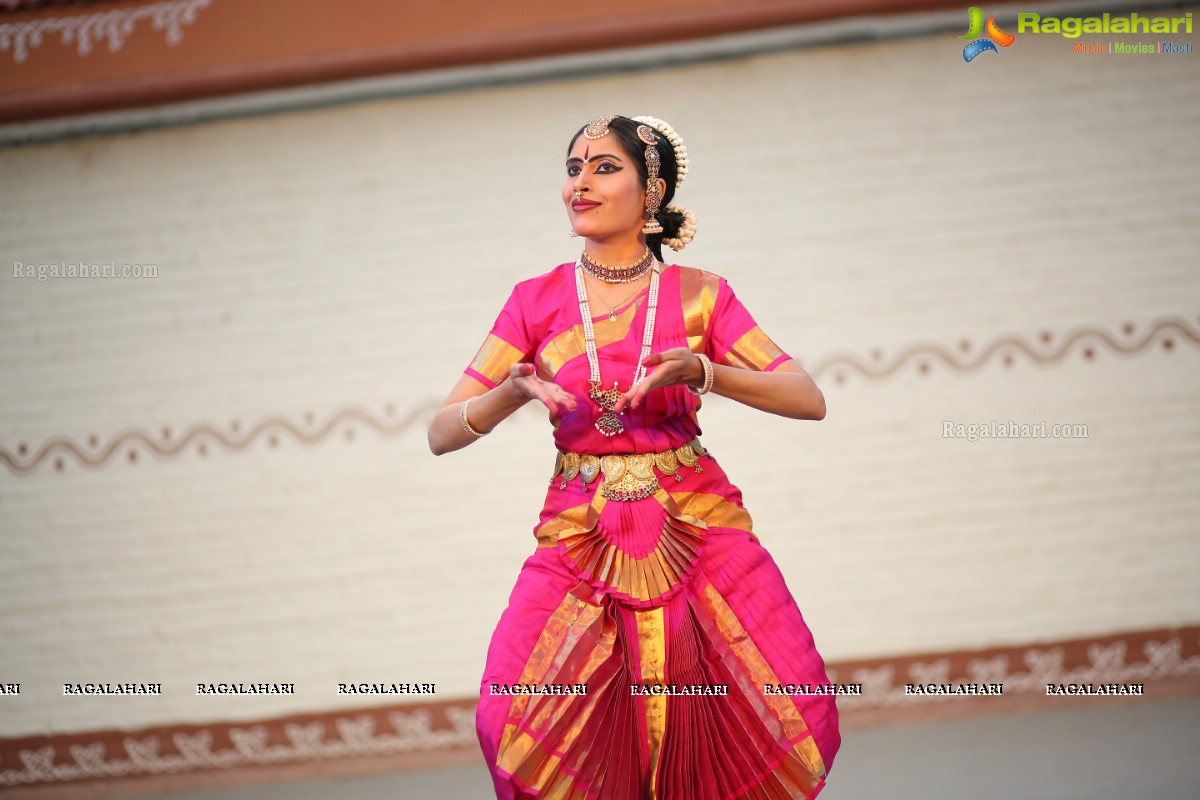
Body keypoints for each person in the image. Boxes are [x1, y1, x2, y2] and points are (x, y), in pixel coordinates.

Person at [427, 114, 840, 799]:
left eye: (602, 167)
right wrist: (511, 393)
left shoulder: (702, 294)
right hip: (577, 532)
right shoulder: (536, 302)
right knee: (509, 719)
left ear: (651, 191)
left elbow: (807, 397)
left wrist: (706, 373)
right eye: (572, 169)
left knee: (791, 709)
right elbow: (442, 431)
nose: (579, 184)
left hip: (700, 523)